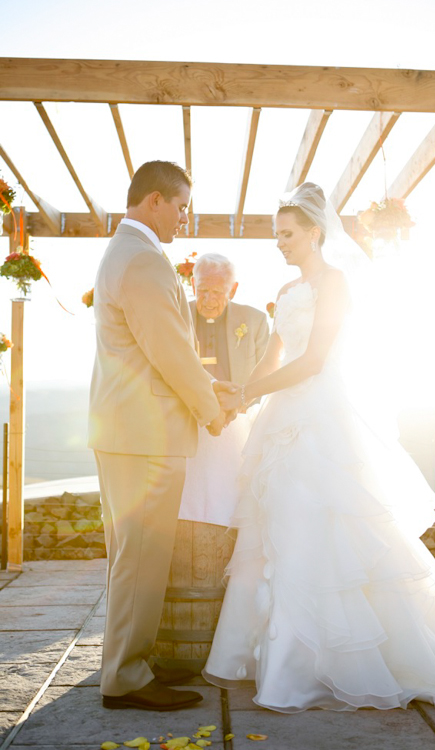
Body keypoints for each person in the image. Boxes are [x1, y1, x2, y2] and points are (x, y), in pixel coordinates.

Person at [202, 182, 435, 713]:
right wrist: (235, 396)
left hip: (322, 420)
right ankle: (267, 660)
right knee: (270, 531)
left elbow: (314, 359)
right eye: (276, 235)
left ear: (315, 232)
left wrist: (247, 393)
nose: (280, 243)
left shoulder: (335, 285)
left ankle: (314, 668)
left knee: (316, 526)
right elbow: (273, 357)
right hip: (281, 420)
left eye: (287, 234)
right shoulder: (289, 290)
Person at [88, 160, 235, 711]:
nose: (184, 218)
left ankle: (129, 666)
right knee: (140, 559)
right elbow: (170, 352)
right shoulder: (144, 260)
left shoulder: (125, 253)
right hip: (144, 436)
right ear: (154, 200)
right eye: (181, 207)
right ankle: (125, 677)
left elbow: (157, 352)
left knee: (133, 557)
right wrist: (212, 411)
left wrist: (209, 386)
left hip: (128, 429)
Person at [179, 253, 269, 526]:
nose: (207, 300)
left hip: (238, 426)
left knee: (234, 503)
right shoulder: (177, 316)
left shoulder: (254, 320)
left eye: (217, 292)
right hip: (189, 424)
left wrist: (237, 405)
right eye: (202, 290)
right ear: (192, 285)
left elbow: (266, 375)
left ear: (233, 289)